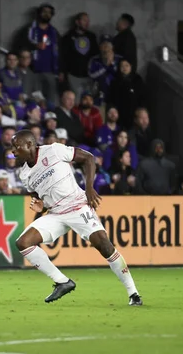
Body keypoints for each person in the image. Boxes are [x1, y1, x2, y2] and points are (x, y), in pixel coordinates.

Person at [12, 129, 142, 305]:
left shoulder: (54, 150)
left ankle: (133, 293)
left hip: (77, 206)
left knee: (104, 244)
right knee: (23, 243)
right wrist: (40, 206)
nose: (13, 151)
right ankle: (62, 282)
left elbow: (88, 158)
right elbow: (39, 198)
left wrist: (89, 187)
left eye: (16, 146)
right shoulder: (24, 174)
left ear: (29, 144)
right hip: (55, 214)